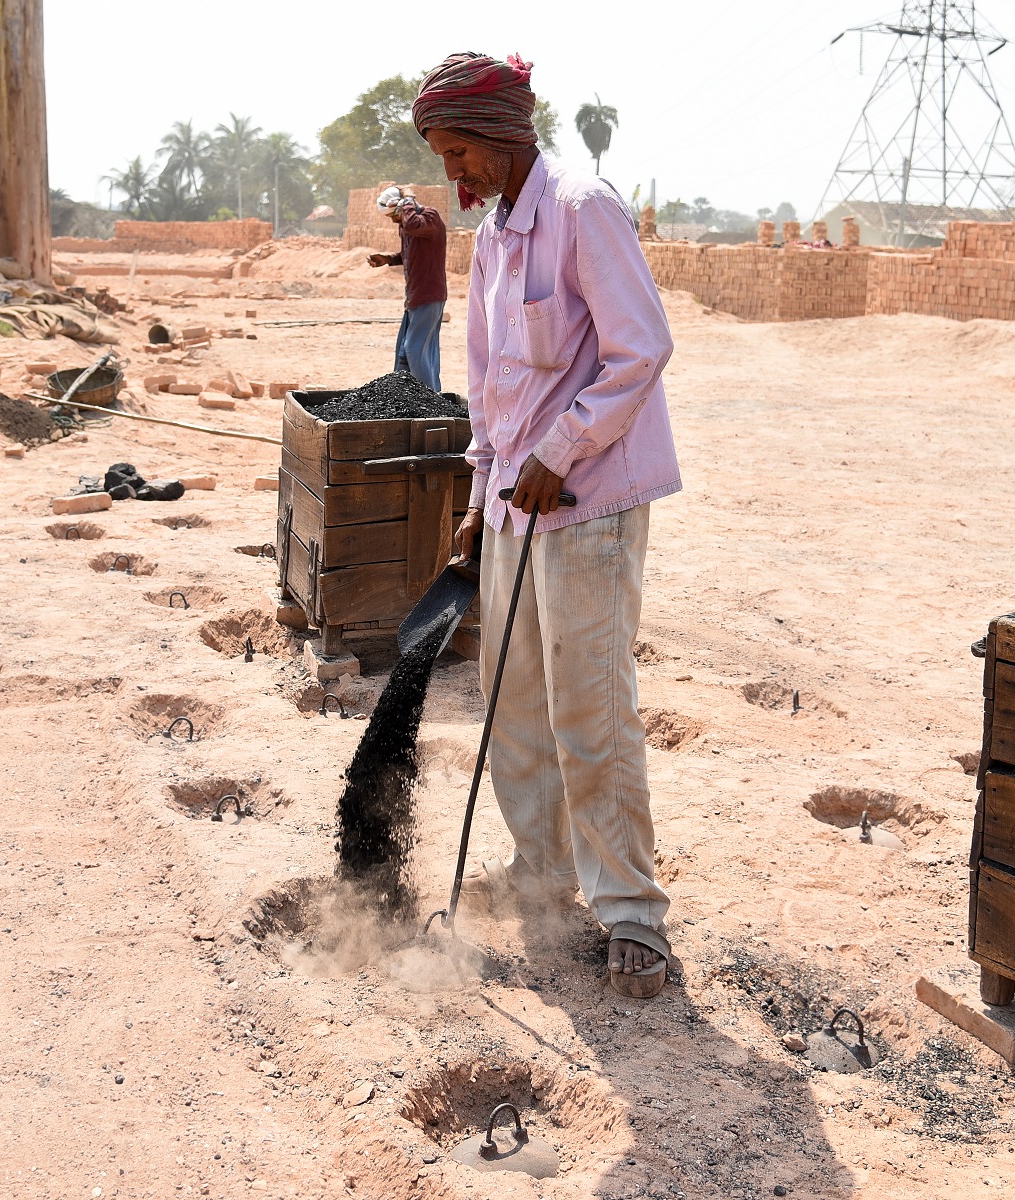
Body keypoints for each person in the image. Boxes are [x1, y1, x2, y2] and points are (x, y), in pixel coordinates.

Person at [412, 51, 683, 998]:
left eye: (460, 154)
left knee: (589, 710)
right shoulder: (491, 240)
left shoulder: (581, 208)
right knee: (512, 703)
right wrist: (478, 491)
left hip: (589, 507)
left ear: (503, 134)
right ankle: (541, 872)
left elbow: (640, 349)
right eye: (444, 158)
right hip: (510, 512)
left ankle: (633, 913)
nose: (456, 177)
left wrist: (558, 454)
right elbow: (491, 386)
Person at [366, 186, 447, 391]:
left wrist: (407, 200)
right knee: (403, 352)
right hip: (414, 296)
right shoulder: (408, 224)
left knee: (415, 349)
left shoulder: (429, 218)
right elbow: (410, 253)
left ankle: (430, 399)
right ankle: (401, 397)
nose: (394, 221)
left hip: (429, 295)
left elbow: (412, 225)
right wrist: (388, 259)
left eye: (394, 215)